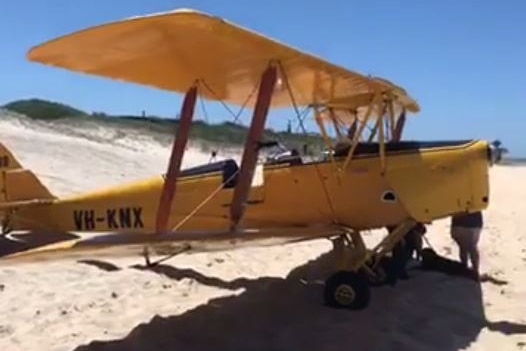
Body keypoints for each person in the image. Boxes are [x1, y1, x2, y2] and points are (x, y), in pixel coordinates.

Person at [450, 211, 483, 279]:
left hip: (458, 222)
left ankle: (465, 268)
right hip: (474, 222)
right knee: (472, 246)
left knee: (463, 246)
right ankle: (474, 270)